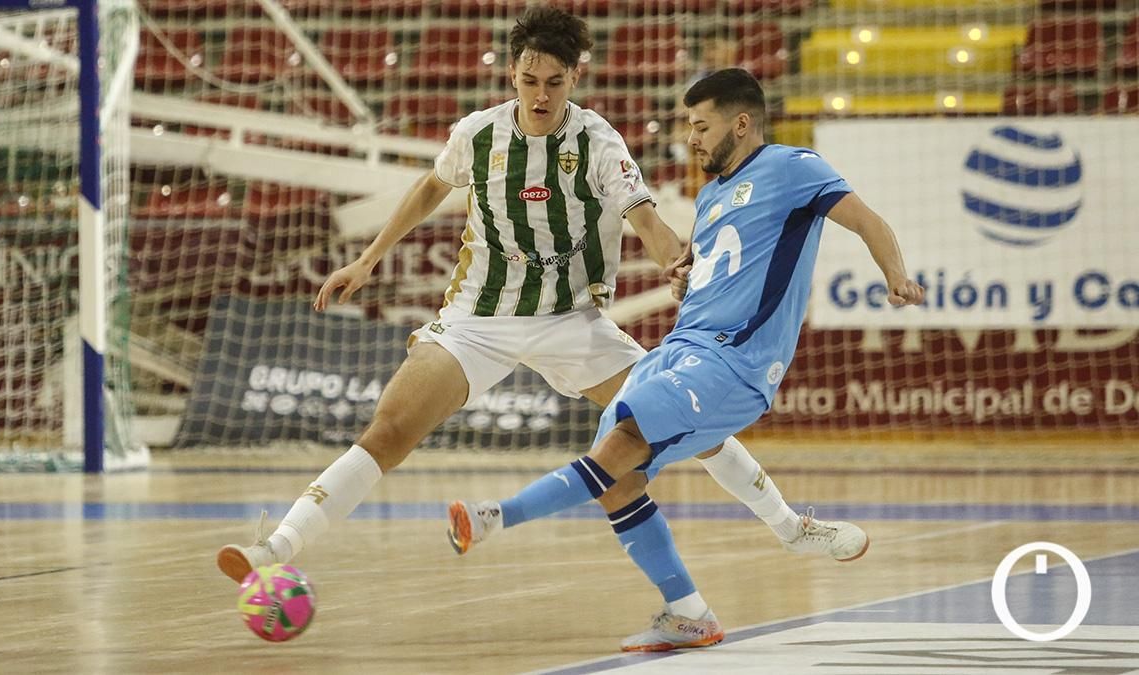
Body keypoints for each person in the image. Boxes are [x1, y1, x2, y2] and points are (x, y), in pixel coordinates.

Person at [217, 7, 851, 589]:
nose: (540, 94)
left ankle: (790, 527)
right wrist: (367, 258)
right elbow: (427, 190)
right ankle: (277, 547)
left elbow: (646, 218)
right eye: (528, 80)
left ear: (575, 77)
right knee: (390, 428)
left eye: (554, 81)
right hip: (478, 319)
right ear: (513, 74)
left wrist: (674, 260)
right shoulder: (478, 134)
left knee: (685, 420)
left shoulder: (597, 140)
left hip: (573, 321)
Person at [445, 67, 927, 652]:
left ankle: (494, 517)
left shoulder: (792, 168)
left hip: (736, 362)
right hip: (681, 347)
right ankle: (691, 613)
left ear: (742, 123)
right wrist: (689, 284)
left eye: (701, 126)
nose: (691, 138)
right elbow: (724, 269)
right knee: (617, 485)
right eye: (687, 126)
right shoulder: (712, 194)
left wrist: (895, 275)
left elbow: (868, 221)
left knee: (617, 448)